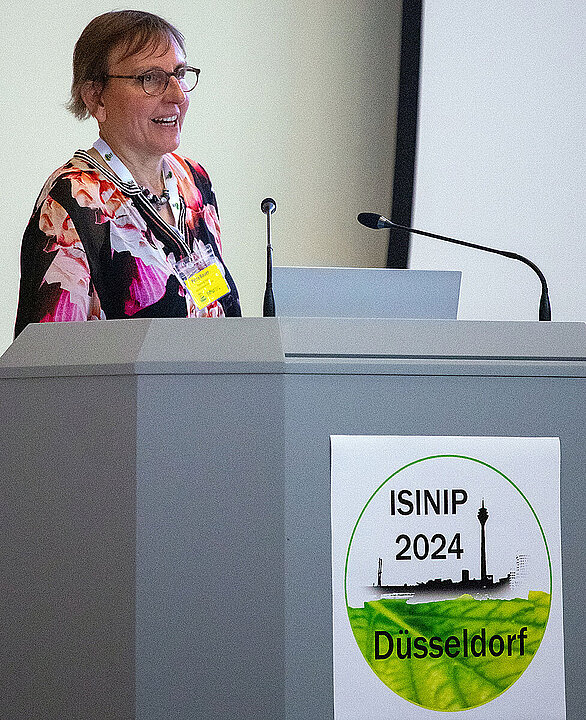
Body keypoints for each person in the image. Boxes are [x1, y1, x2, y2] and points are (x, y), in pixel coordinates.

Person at [15, 10, 241, 338]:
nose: (177, 95)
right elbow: (48, 361)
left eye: (179, 74)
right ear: (96, 97)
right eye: (151, 78)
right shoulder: (72, 201)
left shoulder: (193, 181)